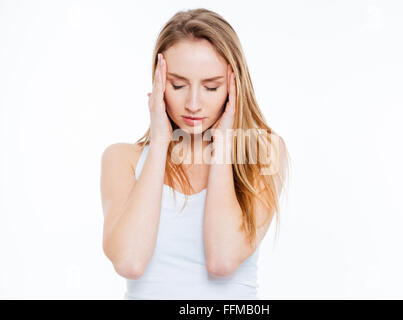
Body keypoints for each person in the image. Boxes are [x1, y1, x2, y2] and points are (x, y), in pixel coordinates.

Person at [100, 8, 290, 300]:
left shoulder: (264, 153)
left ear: (234, 85)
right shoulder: (121, 159)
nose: (192, 104)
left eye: (211, 87)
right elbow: (129, 261)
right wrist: (160, 142)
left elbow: (222, 260)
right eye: (177, 85)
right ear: (158, 82)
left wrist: (224, 145)